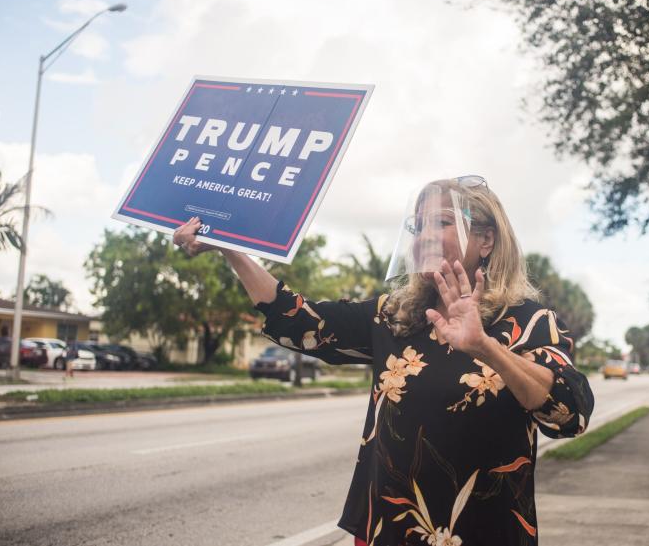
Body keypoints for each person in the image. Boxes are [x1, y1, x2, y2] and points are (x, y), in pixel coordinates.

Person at [173, 176, 594, 545]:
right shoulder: (395, 316)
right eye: (418, 224)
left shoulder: (530, 321)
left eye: (442, 222)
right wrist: (229, 250)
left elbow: (569, 414)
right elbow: (300, 320)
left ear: (486, 240)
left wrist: (485, 347)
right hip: (386, 527)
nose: (424, 234)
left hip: (482, 530)